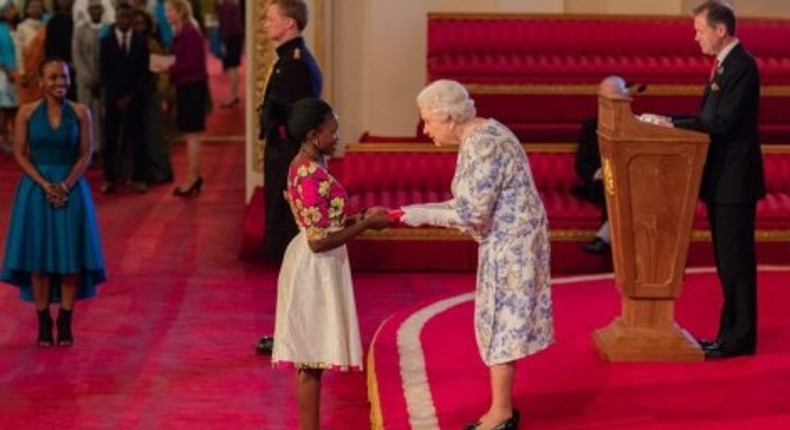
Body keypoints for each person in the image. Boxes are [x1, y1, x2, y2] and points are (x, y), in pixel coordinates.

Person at [400, 80, 554, 430]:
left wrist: (420, 216)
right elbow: (467, 205)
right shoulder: (481, 134)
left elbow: (471, 214)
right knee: (496, 319)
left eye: (428, 121)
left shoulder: (483, 145)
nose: (424, 130)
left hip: (512, 243)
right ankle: (501, 408)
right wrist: (415, 210)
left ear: (450, 118)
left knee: (501, 322)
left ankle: (501, 414)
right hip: (507, 239)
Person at [646, 1, 764, 359]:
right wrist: (672, 121)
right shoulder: (725, 65)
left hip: (735, 182)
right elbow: (708, 116)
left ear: (720, 30)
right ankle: (729, 333)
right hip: (721, 180)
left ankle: (739, 338)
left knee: (735, 262)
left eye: (699, 30)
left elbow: (723, 123)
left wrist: (672, 124)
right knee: (726, 261)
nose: (694, 36)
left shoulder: (742, 66)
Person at [268, 97, 390, 430]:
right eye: (332, 130)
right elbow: (318, 240)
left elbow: (326, 220)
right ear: (312, 133)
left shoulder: (315, 160)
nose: (337, 135)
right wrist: (365, 226)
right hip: (313, 268)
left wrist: (361, 215)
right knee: (309, 360)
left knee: (313, 358)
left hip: (321, 264)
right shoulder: (307, 172)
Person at [1, 56, 106, 348]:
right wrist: (45, 183)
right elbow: (20, 154)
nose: (60, 83)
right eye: (53, 78)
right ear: (40, 81)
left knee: (70, 259)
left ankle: (66, 322)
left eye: (64, 77)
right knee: (39, 260)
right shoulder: (25, 113)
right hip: (36, 191)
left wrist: (65, 185)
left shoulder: (81, 112)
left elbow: (85, 154)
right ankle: (44, 322)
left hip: (71, 189)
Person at [256, 0, 322, 356]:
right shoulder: (287, 60)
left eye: (271, 17)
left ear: (290, 23)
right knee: (287, 253)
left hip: (287, 168)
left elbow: (298, 127)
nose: (266, 22)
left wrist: (291, 180)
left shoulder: (295, 66)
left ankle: (294, 333)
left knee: (291, 251)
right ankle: (288, 330)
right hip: (282, 164)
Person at [99, 2, 150, 194]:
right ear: (116, 18)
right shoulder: (106, 42)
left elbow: (145, 74)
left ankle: (139, 178)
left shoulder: (141, 41)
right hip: (114, 99)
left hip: (135, 98)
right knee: (110, 139)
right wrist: (116, 97)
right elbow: (105, 73)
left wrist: (131, 96)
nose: (125, 20)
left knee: (138, 139)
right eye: (122, 17)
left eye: (129, 17)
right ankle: (109, 178)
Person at [160, 0, 207, 196]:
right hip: (187, 86)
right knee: (190, 134)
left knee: (192, 135)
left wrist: (169, 68)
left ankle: (193, 177)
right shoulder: (181, 31)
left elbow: (194, 63)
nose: (167, 15)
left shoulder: (189, 32)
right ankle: (193, 175)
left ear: (180, 11)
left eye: (170, 11)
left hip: (193, 87)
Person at [132, 7, 173, 185]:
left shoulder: (152, 44)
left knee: (154, 135)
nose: (139, 26)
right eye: (136, 23)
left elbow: (162, 72)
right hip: (134, 95)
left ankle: (159, 172)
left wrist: (162, 94)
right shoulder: (130, 42)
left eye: (142, 23)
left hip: (151, 94)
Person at [71, 0, 104, 158]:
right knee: (86, 115)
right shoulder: (80, 30)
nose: (95, 11)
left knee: (101, 117)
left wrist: (101, 78)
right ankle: (87, 150)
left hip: (103, 82)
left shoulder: (106, 29)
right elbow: (77, 56)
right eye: (93, 8)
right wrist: (88, 78)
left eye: (98, 8)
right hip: (85, 82)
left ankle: (100, 148)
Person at [15, 0, 46, 104]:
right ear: (27, 10)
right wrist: (22, 72)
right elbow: (18, 50)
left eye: (38, 6)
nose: (35, 9)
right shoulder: (22, 27)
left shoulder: (46, 26)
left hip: (43, 69)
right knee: (29, 103)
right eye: (32, 6)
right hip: (28, 71)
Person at [216, 0, 242, 108]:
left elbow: (226, 25)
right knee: (234, 67)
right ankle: (234, 95)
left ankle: (232, 96)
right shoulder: (234, 4)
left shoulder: (225, 5)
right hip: (236, 37)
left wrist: (223, 42)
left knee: (230, 68)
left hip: (230, 39)